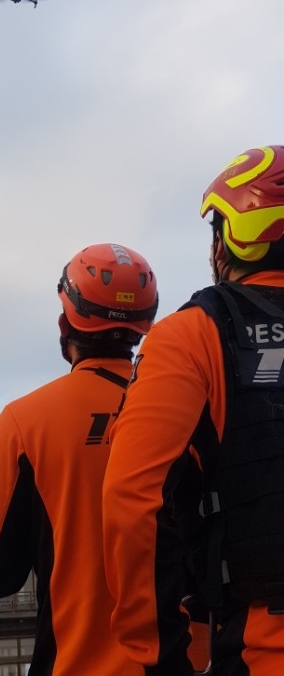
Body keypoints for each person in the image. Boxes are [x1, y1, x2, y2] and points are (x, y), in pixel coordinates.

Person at [102, 145, 284, 676]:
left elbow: (131, 498)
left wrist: (157, 655)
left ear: (229, 238)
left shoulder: (192, 334)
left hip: (263, 647)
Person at [0, 243, 158, 675]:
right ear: (142, 328)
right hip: (186, 659)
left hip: (72, 662)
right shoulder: (184, 407)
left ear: (64, 324)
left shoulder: (24, 421)